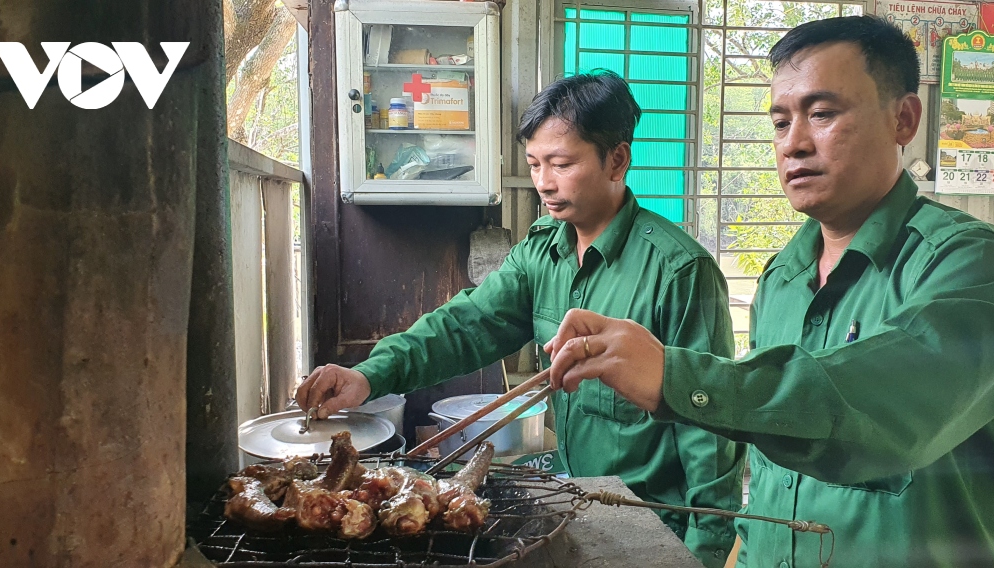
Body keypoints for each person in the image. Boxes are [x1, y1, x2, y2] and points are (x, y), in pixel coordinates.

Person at [542, 17, 994, 568]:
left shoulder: (972, 265)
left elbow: (878, 405)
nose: (794, 143)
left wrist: (673, 375)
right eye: (781, 123)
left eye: (823, 114)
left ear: (903, 119)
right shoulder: (783, 278)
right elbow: (776, 481)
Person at [295, 70, 746, 567]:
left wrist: (701, 554)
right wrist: (368, 375)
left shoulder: (678, 271)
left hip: (655, 524)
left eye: (561, 163)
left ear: (617, 159)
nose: (543, 183)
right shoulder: (542, 251)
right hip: (574, 503)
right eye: (534, 164)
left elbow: (713, 432)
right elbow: (465, 324)